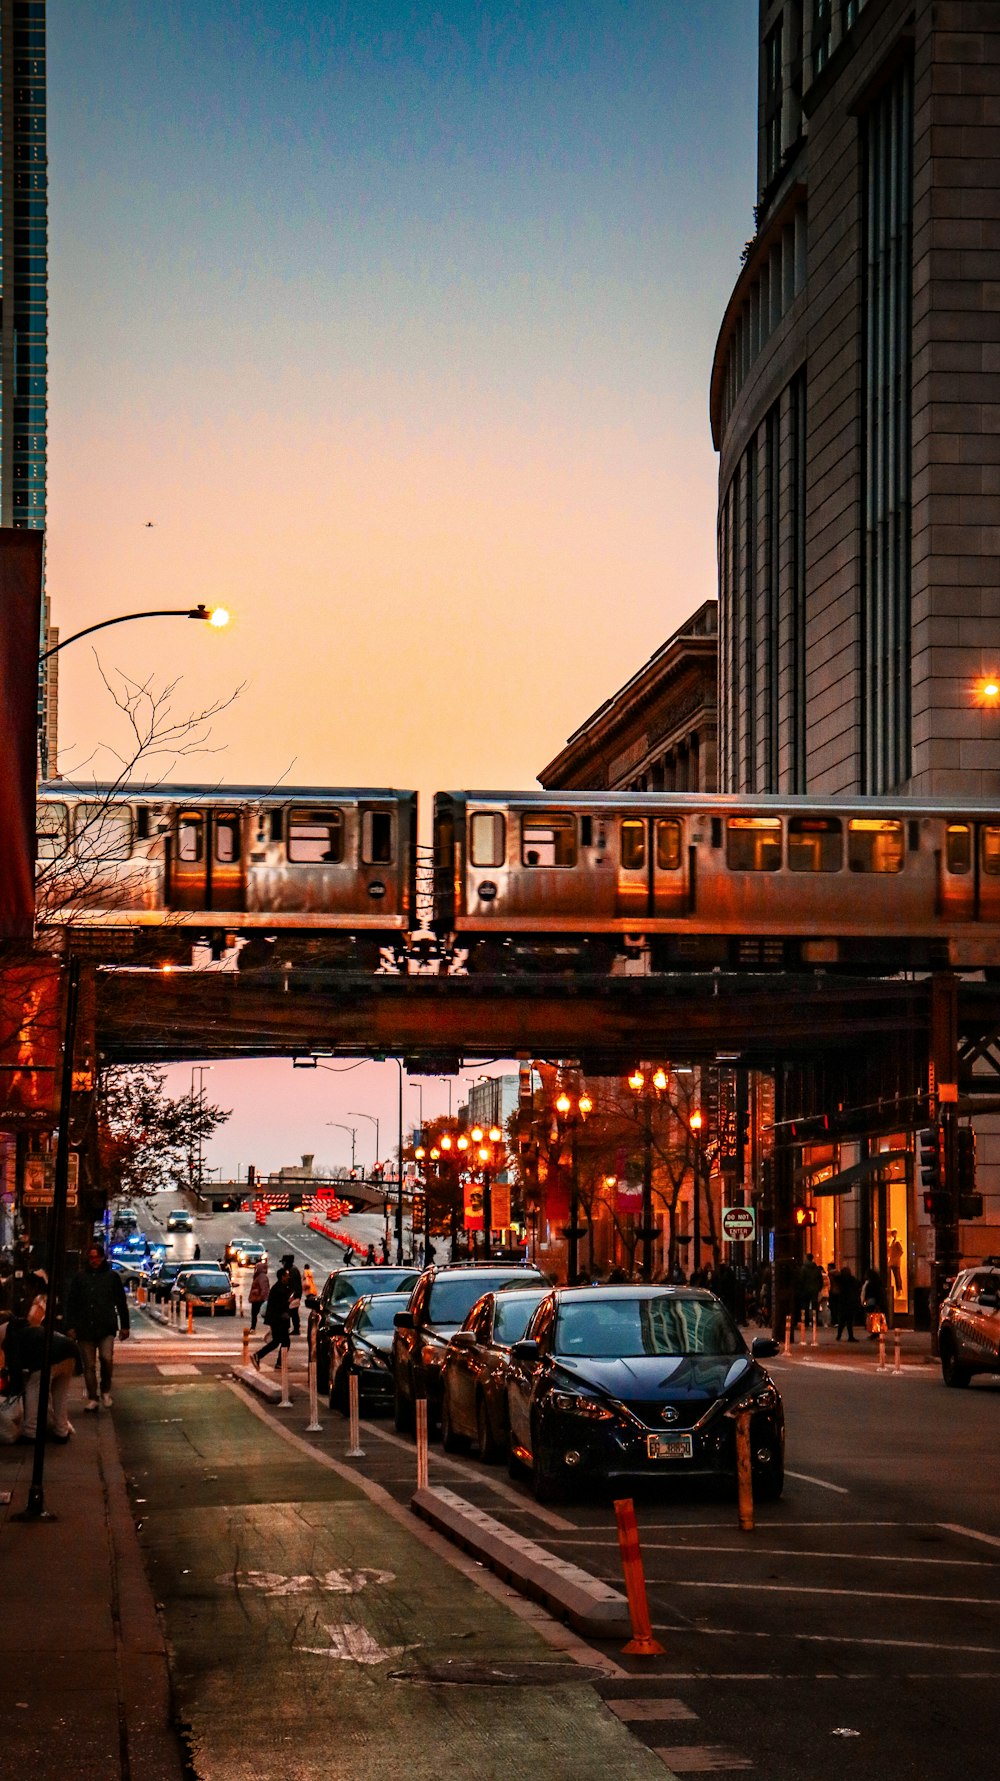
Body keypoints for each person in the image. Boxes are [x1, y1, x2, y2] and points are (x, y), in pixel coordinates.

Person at [4, 1293, 79, 1443]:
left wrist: (13, 1391)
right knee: (60, 1395)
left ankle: (31, 1432)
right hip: (70, 1352)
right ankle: (61, 1430)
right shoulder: (27, 1328)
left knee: (34, 1390)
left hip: (48, 1358)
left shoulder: (10, 1336)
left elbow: (16, 1366)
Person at [65, 1243, 131, 1409]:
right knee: (89, 1366)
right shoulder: (80, 1278)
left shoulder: (111, 1277)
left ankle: (105, 1390)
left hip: (106, 1327)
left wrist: (125, 1326)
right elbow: (71, 1303)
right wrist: (71, 1325)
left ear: (102, 1258)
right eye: (91, 1257)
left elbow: (121, 1303)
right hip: (85, 1328)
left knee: (106, 1359)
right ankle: (93, 1397)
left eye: (96, 1257)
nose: (94, 1260)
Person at [251, 1266, 291, 1371]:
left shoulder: (279, 1287)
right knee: (282, 1342)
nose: (288, 1277)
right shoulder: (279, 1289)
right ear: (282, 1277)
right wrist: (288, 1304)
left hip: (278, 1320)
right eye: (287, 1276)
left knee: (278, 1341)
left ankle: (276, 1362)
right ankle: (259, 1355)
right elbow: (279, 1306)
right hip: (279, 1320)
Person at [835, 1263, 860, 1342]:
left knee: (841, 1321)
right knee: (849, 1321)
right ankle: (850, 1336)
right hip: (850, 1302)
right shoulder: (852, 1280)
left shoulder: (840, 1279)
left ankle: (839, 1336)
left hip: (842, 1302)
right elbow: (858, 1286)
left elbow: (835, 1276)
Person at [280, 1253, 302, 1336]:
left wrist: (292, 1296)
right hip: (294, 1295)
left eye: (283, 1262)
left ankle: (296, 1328)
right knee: (292, 1312)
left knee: (293, 1313)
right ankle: (294, 1328)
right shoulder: (292, 1270)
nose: (283, 1264)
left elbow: (294, 1286)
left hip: (294, 1296)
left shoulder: (293, 1271)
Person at [861, 1267, 887, 1338]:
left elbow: (873, 1293)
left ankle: (875, 1332)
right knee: (874, 1317)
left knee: (873, 1317)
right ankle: (876, 1332)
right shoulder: (876, 1282)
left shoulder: (871, 1283)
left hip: (872, 1301)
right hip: (873, 1301)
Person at [248, 1257, 270, 1331]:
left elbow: (264, 1288)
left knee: (257, 1314)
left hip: (258, 1299)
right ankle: (253, 1327)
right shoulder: (260, 1276)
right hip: (257, 1298)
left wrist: (262, 1297)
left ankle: (253, 1327)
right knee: (255, 1314)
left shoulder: (261, 1277)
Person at [888, 1230, 904, 1297]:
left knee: (897, 1276)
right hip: (892, 1261)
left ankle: (899, 1289)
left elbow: (901, 1251)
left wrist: (896, 1258)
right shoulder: (892, 1241)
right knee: (895, 1275)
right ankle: (897, 1290)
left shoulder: (897, 1242)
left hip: (895, 1262)